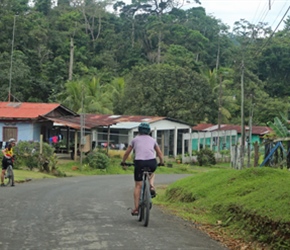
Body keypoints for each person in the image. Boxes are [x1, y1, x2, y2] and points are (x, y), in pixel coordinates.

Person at [121, 122, 164, 216]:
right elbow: (159, 153)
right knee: (152, 173)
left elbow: (127, 153)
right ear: (149, 131)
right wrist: (161, 162)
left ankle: (136, 209)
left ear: (139, 131)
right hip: (151, 162)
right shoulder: (153, 140)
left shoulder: (135, 140)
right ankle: (151, 185)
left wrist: (123, 162)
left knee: (138, 186)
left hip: (139, 163)